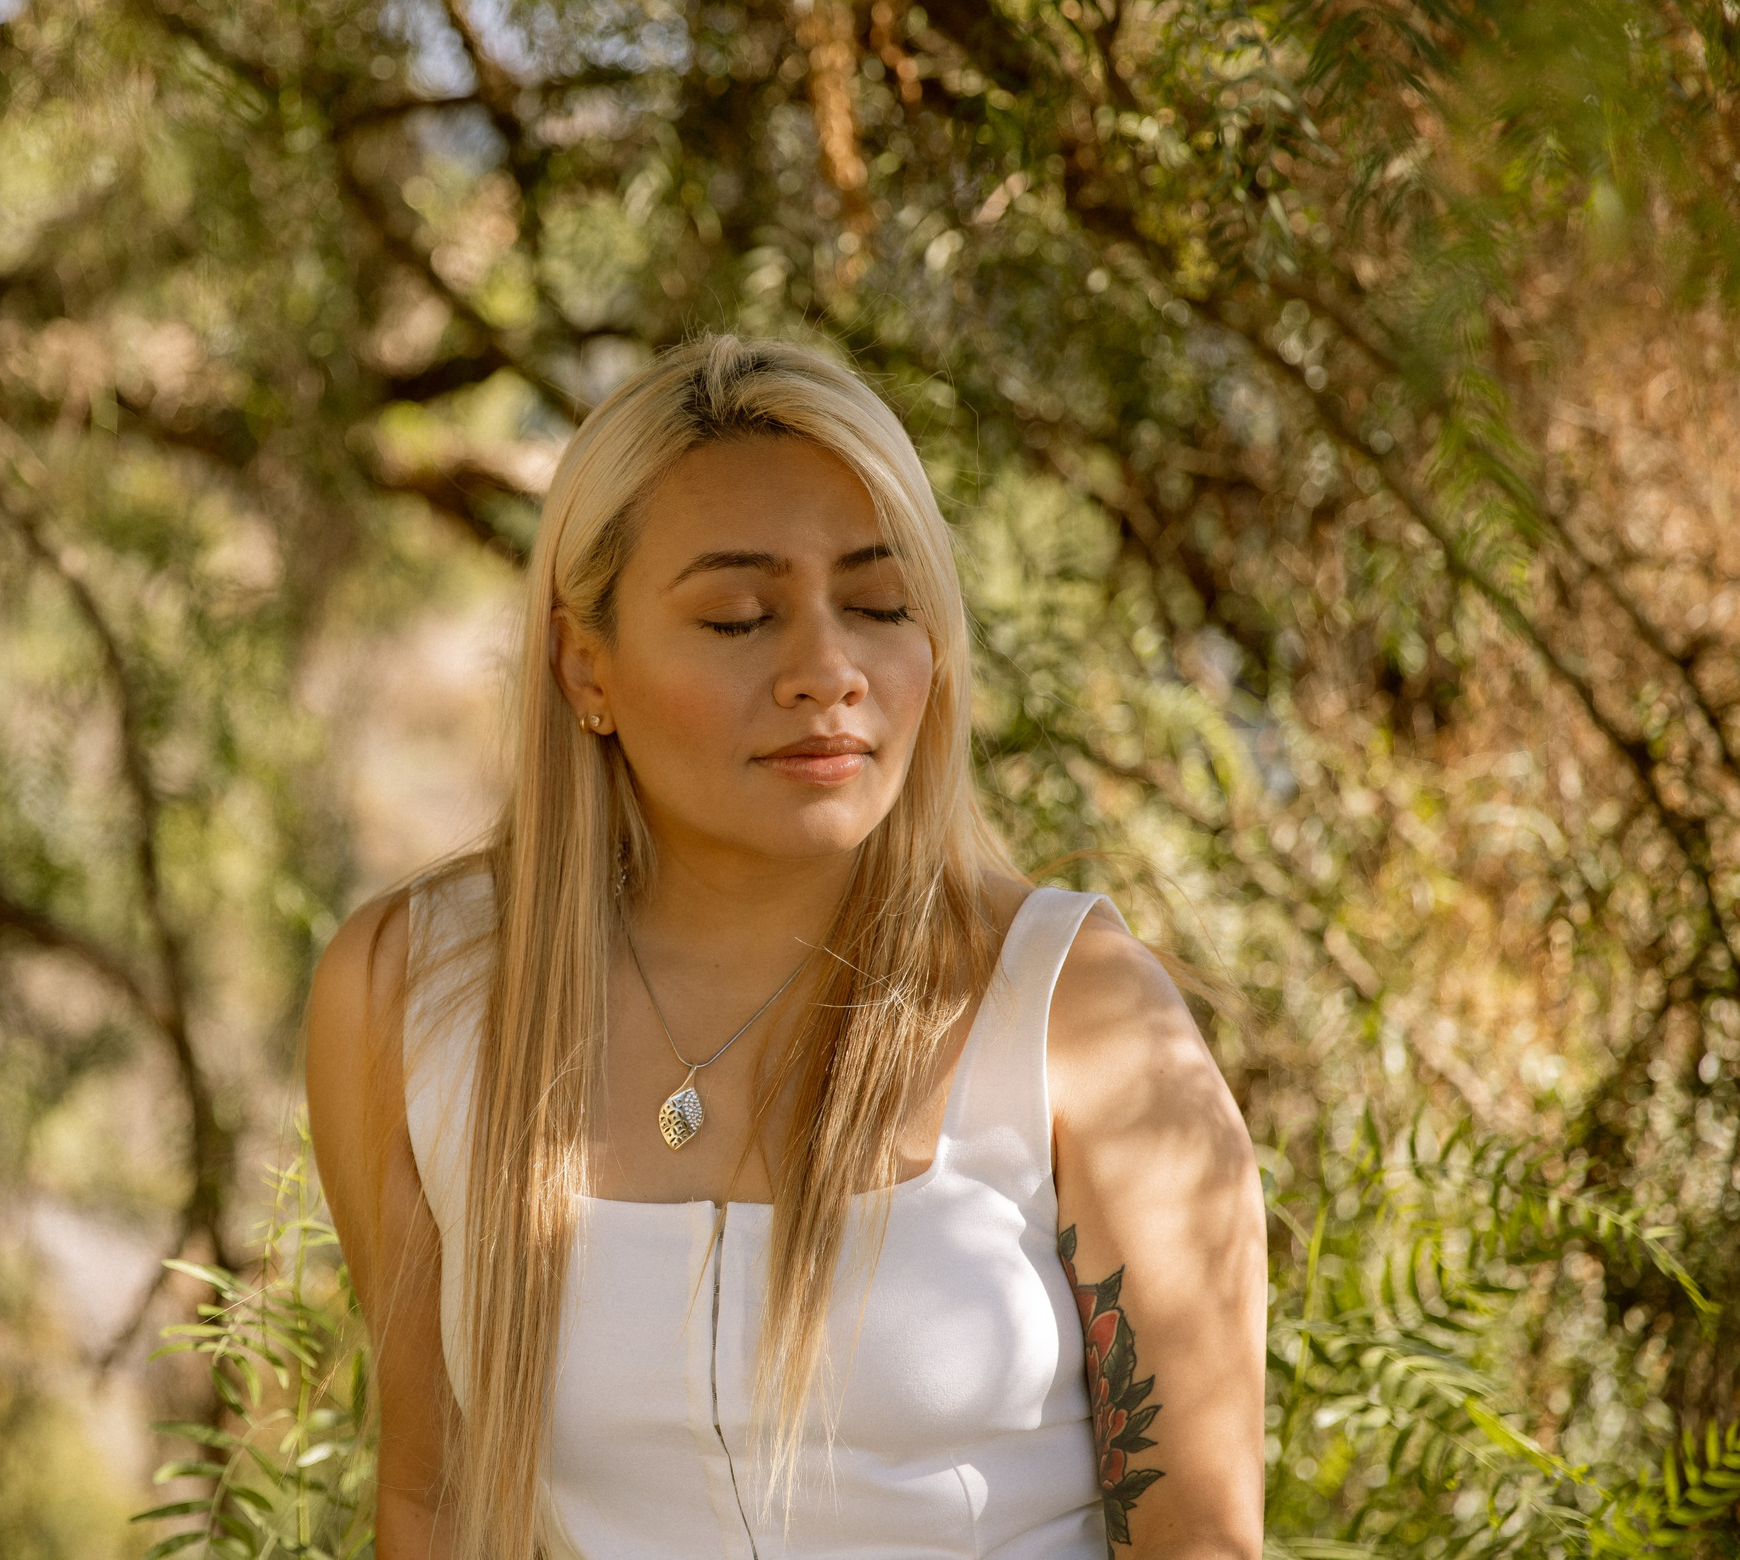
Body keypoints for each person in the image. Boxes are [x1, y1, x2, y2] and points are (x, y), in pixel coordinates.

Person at [305, 336, 1264, 1560]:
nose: (826, 671)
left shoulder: (1082, 1014)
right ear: (581, 665)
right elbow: (431, 1510)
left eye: (877, 605)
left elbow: (1199, 1545)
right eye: (738, 618)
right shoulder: (413, 993)